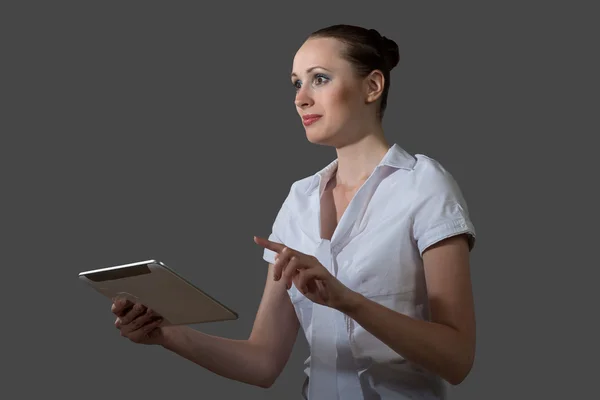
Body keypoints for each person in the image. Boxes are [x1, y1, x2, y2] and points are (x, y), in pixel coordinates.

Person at [111, 24, 477, 400]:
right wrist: (165, 334)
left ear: (373, 86)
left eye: (319, 79)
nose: (301, 98)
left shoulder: (426, 184)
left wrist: (348, 301)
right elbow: (262, 361)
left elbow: (457, 358)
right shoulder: (298, 200)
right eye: (296, 83)